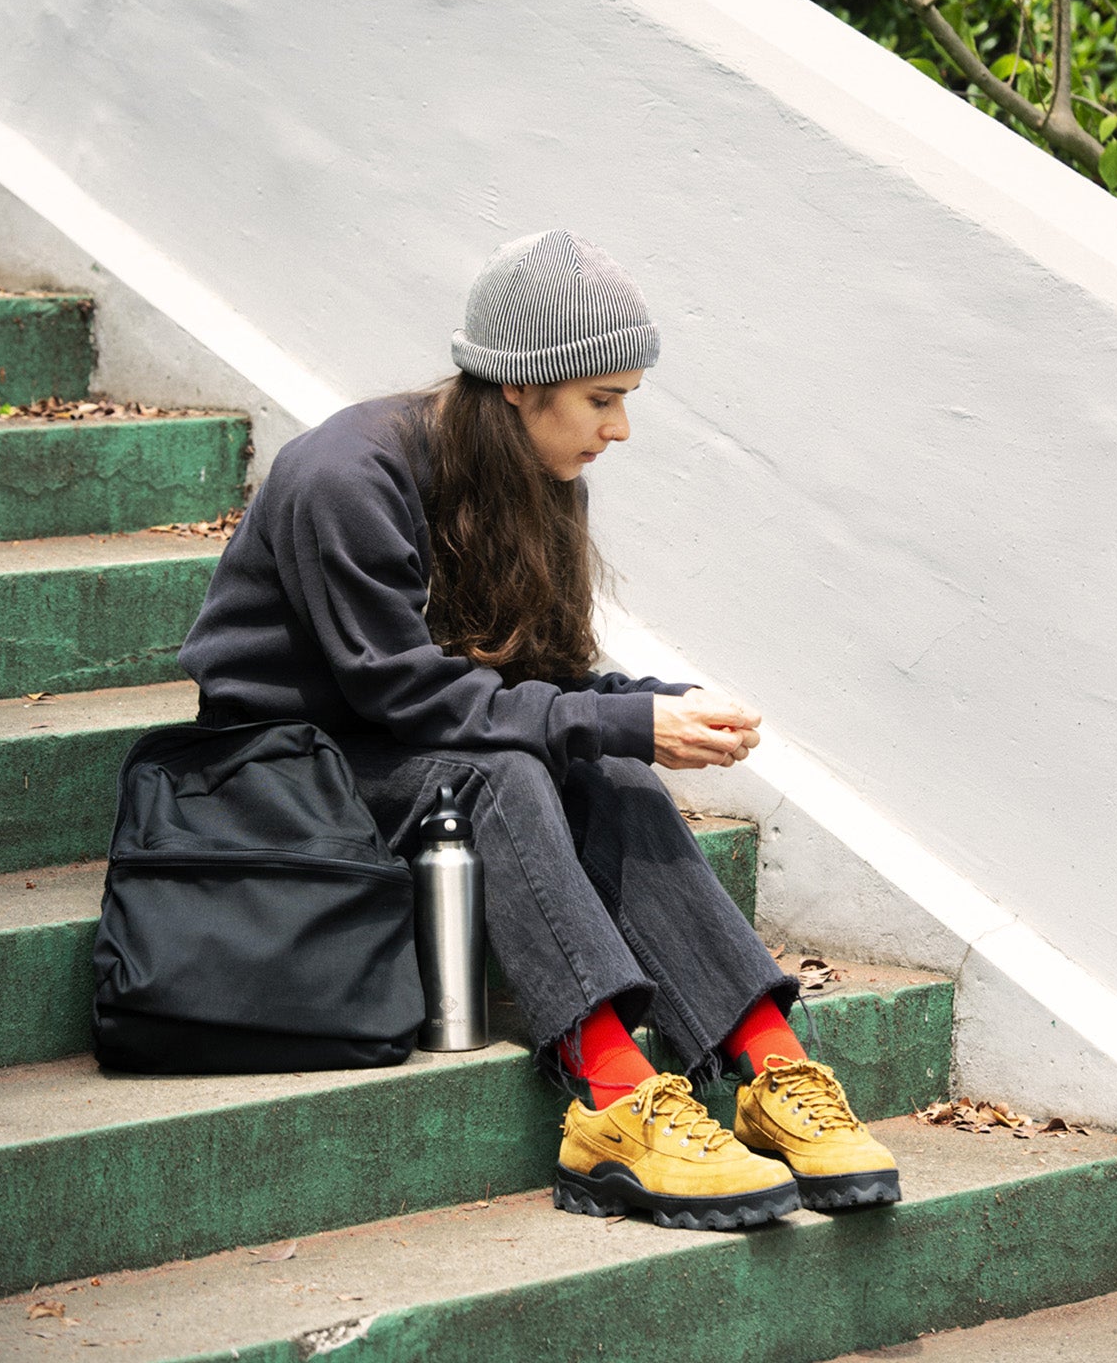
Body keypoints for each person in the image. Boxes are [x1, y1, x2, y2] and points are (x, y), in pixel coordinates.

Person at [180, 227, 899, 1230]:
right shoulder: (345, 474)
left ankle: (771, 1068)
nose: (620, 428)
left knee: (606, 765)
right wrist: (620, 719)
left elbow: (538, 683)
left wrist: (658, 707)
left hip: (409, 746)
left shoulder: (540, 478)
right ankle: (612, 1099)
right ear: (519, 384)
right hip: (283, 769)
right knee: (503, 774)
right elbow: (408, 696)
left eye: (626, 400)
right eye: (602, 398)